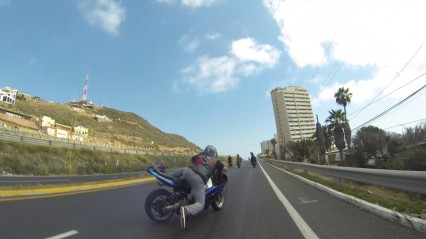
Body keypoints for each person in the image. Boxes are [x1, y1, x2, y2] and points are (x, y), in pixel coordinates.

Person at [172, 145, 226, 229]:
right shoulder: (215, 160)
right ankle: (186, 210)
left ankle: (175, 195)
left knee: (173, 179)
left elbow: (193, 161)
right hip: (197, 178)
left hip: (186, 170)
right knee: (200, 204)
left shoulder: (200, 154)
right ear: (214, 153)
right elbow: (225, 169)